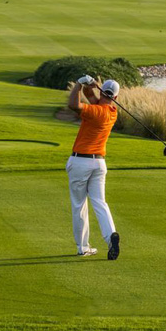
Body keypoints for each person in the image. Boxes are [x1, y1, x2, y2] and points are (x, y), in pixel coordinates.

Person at [66, 75, 121, 260]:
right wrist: (90, 86)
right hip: (99, 163)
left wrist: (79, 84)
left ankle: (83, 247)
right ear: (116, 98)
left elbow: (74, 105)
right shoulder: (113, 112)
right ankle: (110, 236)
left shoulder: (95, 112)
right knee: (99, 202)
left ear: (102, 91)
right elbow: (93, 98)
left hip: (80, 162)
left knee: (79, 205)